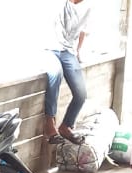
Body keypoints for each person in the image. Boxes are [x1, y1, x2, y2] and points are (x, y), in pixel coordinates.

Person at [44, 0, 92, 145]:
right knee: (55, 74)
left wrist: (78, 50)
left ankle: (66, 126)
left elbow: (83, 29)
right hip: (49, 49)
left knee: (81, 94)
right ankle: (50, 125)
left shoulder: (87, 7)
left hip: (68, 51)